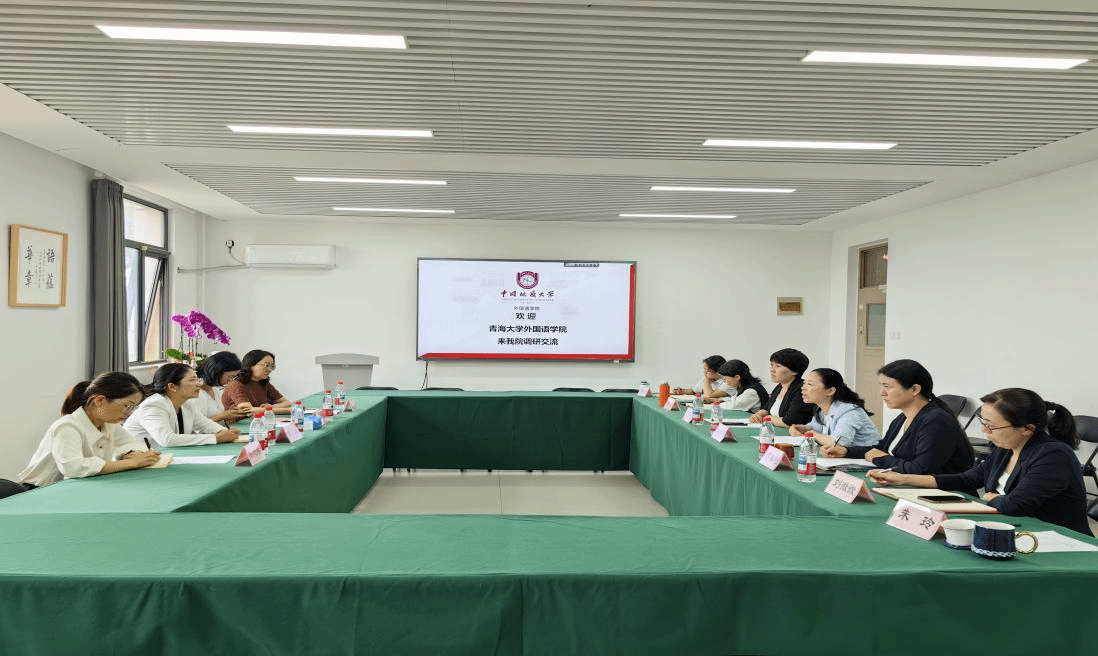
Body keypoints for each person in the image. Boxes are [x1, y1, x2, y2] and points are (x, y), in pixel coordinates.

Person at [870, 388, 1092, 536]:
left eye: (991, 426)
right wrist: (902, 479)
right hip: (1009, 530)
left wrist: (993, 498)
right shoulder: (1005, 448)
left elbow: (1015, 505)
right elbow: (967, 479)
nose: (985, 431)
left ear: (1027, 429)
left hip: (1052, 539)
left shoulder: (1053, 455)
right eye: (982, 422)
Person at [823, 359, 973, 474]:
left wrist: (881, 459)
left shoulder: (936, 420)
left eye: (888, 386)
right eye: (882, 386)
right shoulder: (902, 418)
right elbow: (881, 448)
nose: (882, 393)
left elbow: (921, 470)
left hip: (943, 495)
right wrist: (846, 451)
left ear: (914, 389)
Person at [18, 372, 160, 487]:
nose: (129, 413)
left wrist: (130, 454)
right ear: (100, 401)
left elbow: (132, 443)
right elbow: (73, 468)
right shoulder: (67, 426)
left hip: (76, 488)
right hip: (39, 491)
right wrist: (131, 462)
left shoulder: (109, 424)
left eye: (133, 407)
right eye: (127, 406)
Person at [125, 363, 241, 448]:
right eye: (192, 380)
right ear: (172, 387)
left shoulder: (186, 403)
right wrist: (215, 438)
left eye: (197, 379)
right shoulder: (153, 405)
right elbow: (167, 440)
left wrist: (225, 432)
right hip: (140, 461)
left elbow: (204, 424)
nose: (198, 384)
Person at [788, 368, 880, 448]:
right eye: (804, 383)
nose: (803, 388)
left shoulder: (849, 412)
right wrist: (801, 428)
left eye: (810, 384)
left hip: (865, 460)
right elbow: (815, 428)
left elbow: (840, 443)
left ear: (830, 391)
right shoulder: (821, 410)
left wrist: (811, 434)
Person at [748, 348, 815, 428]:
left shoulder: (802, 390)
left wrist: (767, 418)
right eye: (771, 365)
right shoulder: (780, 386)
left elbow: (790, 422)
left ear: (794, 371)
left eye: (778, 366)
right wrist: (759, 414)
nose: (772, 370)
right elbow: (767, 407)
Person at [222, 349, 292, 414]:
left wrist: (271, 407)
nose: (270, 369)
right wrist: (288, 410)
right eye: (266, 365)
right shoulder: (235, 384)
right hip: (239, 422)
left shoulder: (263, 382)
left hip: (259, 420)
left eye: (271, 366)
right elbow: (249, 410)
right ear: (250, 365)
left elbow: (286, 402)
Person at [190, 351, 252, 424]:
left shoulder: (215, 389)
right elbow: (195, 426)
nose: (231, 380)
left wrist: (230, 412)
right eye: (230, 376)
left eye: (234, 377)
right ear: (217, 372)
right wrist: (223, 416)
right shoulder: (195, 392)